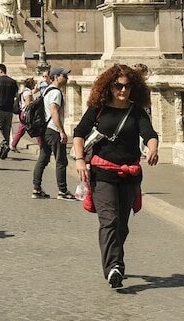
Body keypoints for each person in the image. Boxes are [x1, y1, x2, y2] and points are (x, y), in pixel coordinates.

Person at [73, 64, 159, 289]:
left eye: (128, 86)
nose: (123, 90)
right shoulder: (98, 109)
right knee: (109, 220)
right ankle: (113, 267)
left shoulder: (136, 111)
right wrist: (80, 160)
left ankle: (116, 262)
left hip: (129, 173)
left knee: (122, 225)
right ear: (109, 86)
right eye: (118, 86)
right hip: (102, 173)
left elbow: (149, 133)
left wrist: (153, 148)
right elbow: (79, 133)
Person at [32, 66, 76, 200]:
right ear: (56, 77)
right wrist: (62, 131)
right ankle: (62, 190)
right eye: (64, 76)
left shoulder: (47, 91)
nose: (67, 78)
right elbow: (54, 111)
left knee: (43, 159)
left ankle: (36, 188)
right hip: (54, 129)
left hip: (45, 129)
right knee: (61, 161)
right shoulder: (56, 92)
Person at [0, 64, 19, 159]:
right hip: (9, 109)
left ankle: (4, 144)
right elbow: (16, 95)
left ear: (0, 70)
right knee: (6, 129)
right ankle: (3, 153)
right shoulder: (13, 82)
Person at [11, 77, 37, 152]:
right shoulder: (27, 93)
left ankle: (13, 144)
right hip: (26, 113)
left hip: (23, 113)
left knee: (21, 130)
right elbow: (28, 104)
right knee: (36, 129)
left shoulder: (26, 91)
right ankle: (42, 146)